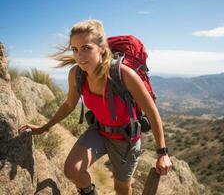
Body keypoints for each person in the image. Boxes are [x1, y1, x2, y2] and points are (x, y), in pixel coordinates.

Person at [19, 19, 172, 195]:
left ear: (101, 48)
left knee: (121, 188)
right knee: (72, 170)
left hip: (125, 139)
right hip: (99, 131)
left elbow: (152, 113)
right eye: (75, 49)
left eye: (86, 48)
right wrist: (45, 127)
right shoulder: (76, 74)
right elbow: (69, 104)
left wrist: (162, 153)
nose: (79, 56)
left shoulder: (123, 75)